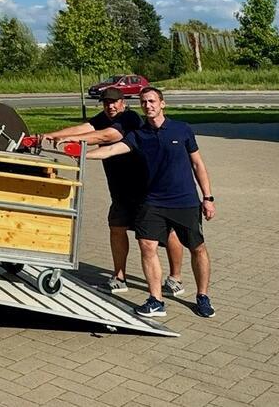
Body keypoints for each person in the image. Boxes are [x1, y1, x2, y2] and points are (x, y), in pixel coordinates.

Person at [42, 87, 185, 296]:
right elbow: (84, 127)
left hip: (146, 190)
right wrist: (48, 136)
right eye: (106, 102)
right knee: (117, 228)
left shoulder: (129, 118)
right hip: (120, 190)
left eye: (114, 102)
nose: (110, 106)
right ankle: (119, 278)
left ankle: (175, 278)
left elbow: (107, 136)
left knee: (167, 233)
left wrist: (75, 141)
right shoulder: (103, 118)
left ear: (123, 103)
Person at [88, 86, 216, 319]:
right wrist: (79, 153)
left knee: (197, 248)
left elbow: (198, 164)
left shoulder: (182, 129)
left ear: (162, 103)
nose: (148, 105)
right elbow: (111, 149)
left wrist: (207, 198)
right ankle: (156, 300)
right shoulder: (139, 134)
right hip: (152, 202)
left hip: (185, 201)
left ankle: (203, 296)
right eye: (144, 102)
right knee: (147, 245)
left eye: (152, 101)